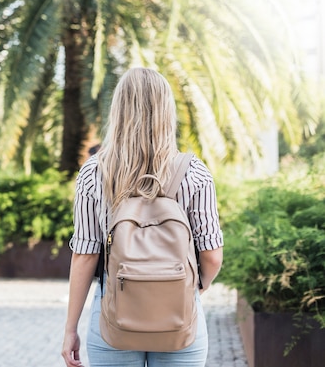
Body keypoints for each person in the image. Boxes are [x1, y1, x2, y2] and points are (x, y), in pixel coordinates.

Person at [61, 67, 224, 367]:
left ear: (118, 110)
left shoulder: (93, 173)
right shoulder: (194, 173)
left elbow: (84, 256)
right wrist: (191, 289)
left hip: (113, 318)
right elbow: (212, 257)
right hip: (180, 320)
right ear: (167, 111)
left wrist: (70, 329)